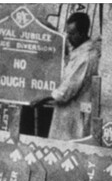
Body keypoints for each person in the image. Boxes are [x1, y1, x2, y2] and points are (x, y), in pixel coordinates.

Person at [29, 12, 101, 141]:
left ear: (82, 33)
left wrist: (43, 98)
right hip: (67, 112)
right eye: (67, 33)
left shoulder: (86, 57)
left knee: (69, 148)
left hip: (74, 113)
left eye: (72, 34)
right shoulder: (78, 50)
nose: (68, 37)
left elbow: (67, 90)